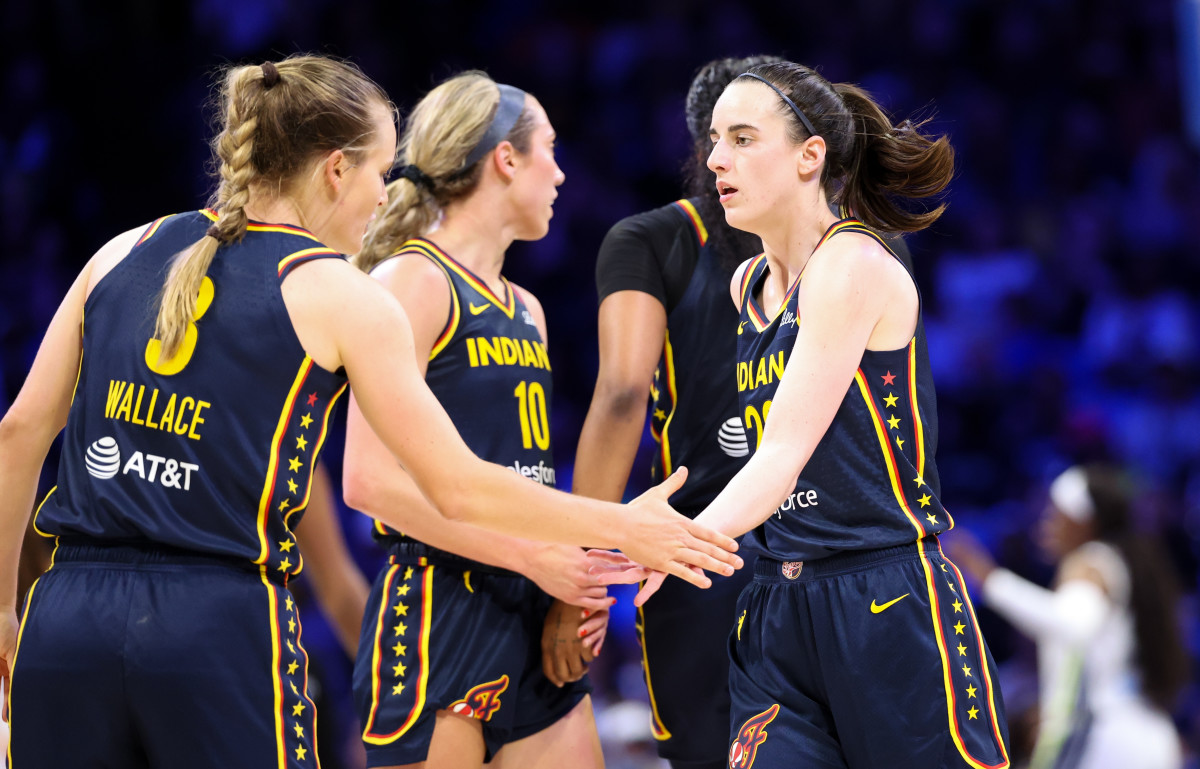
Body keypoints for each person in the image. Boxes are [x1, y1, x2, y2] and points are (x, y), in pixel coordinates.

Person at [0, 54, 742, 769]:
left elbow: (17, 435)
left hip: (64, 614)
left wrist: (4, 609)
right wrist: (621, 526)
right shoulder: (346, 289)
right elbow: (443, 483)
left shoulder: (120, 249)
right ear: (335, 169)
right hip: (223, 618)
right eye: (381, 172)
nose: (390, 194)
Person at [596, 60, 1010, 768]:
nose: (716, 157)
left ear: (809, 156)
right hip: (776, 603)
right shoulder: (746, 284)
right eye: (714, 141)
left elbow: (781, 453)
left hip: (884, 596)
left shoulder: (852, 263)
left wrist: (670, 540)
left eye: (744, 138)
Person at [344, 71, 609, 769]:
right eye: (547, 148)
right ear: (506, 159)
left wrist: (568, 587)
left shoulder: (528, 307)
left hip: (531, 603)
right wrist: (534, 556)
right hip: (438, 603)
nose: (559, 171)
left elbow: (530, 478)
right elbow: (369, 482)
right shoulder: (412, 281)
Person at [572, 55, 778, 769]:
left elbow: (624, 391)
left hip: (696, 556)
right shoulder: (868, 245)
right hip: (837, 550)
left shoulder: (648, 240)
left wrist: (585, 567)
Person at [950, 466, 1189, 769]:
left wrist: (991, 580)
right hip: (1136, 733)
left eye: (1055, 513)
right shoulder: (1117, 562)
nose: (1046, 523)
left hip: (1107, 740)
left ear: (1083, 522)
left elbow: (1073, 624)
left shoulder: (1090, 562)